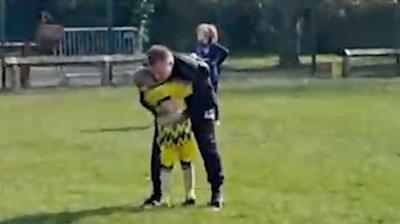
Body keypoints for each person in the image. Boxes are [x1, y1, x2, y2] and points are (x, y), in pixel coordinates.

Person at [139, 45, 225, 210]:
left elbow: (205, 94)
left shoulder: (192, 68)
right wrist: (159, 112)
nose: (157, 77)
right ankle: (157, 195)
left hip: (200, 105)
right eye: (154, 73)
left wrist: (184, 115)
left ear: (170, 63)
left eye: (161, 73)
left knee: (207, 145)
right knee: (158, 148)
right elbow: (144, 97)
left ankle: (217, 191)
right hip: (169, 111)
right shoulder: (148, 73)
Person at [134, 68, 198, 207]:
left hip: (173, 131)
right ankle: (185, 194)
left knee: (171, 165)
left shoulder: (156, 93)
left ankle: (175, 196)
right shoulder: (160, 92)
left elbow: (166, 109)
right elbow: (185, 93)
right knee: (181, 163)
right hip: (177, 130)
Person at [194, 23, 229, 93]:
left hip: (211, 73)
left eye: (200, 32)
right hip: (202, 73)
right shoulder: (199, 45)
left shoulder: (213, 46)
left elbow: (224, 52)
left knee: (212, 93)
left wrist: (215, 62)